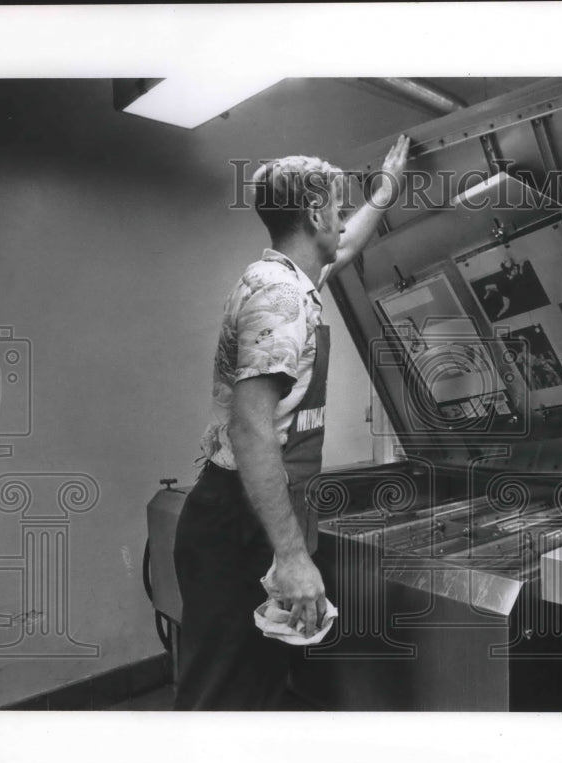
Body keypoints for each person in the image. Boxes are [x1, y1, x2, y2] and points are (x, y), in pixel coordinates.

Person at [173, 136, 410, 710]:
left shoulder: (292, 276)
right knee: (226, 698)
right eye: (335, 204)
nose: (339, 216)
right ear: (313, 214)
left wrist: (386, 189)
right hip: (242, 526)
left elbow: (345, 243)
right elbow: (254, 428)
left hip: (252, 515)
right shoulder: (280, 296)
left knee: (254, 686)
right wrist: (292, 556)